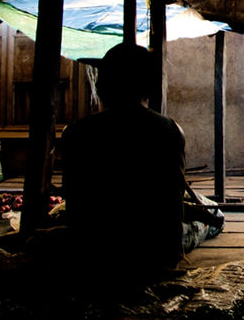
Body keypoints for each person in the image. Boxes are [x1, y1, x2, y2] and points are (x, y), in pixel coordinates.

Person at [60, 43, 186, 282]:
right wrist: (169, 256)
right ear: (148, 87)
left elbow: (75, 204)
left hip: (93, 257)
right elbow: (171, 204)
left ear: (104, 86)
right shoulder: (169, 131)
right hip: (154, 256)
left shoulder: (78, 133)